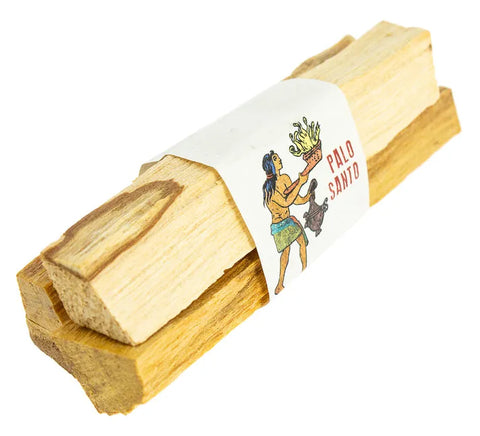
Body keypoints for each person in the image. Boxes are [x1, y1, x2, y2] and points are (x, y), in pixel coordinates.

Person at [262, 150, 310, 294]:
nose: (279, 160)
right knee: (286, 251)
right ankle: (280, 284)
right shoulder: (269, 189)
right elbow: (286, 202)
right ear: (271, 165)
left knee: (301, 242)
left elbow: (296, 200)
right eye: (276, 159)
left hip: (288, 221)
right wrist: (300, 183)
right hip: (279, 225)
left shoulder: (285, 178)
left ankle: (304, 270)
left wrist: (308, 196)